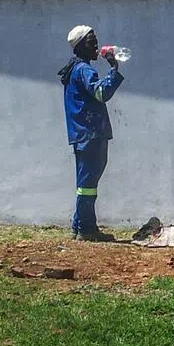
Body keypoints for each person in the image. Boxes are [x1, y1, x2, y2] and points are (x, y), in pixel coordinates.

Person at [58, 25, 124, 241]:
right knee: (88, 185)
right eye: (91, 42)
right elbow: (102, 93)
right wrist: (114, 69)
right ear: (80, 47)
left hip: (81, 134)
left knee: (85, 183)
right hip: (91, 133)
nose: (96, 46)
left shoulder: (73, 69)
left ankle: (79, 226)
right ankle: (86, 229)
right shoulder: (84, 70)